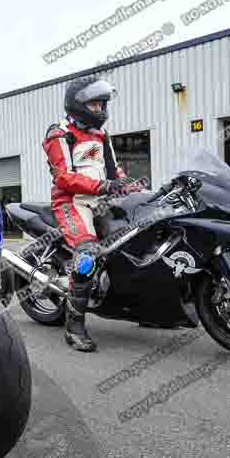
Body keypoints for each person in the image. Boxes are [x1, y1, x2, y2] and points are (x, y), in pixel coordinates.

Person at [43, 76, 145, 352]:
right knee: (87, 254)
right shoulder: (60, 133)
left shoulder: (101, 135)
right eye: (95, 104)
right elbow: (63, 177)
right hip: (71, 202)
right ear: (78, 104)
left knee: (138, 231)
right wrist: (103, 185)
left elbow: (113, 171)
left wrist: (128, 184)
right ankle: (74, 326)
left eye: (102, 104)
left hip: (100, 199)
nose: (100, 109)